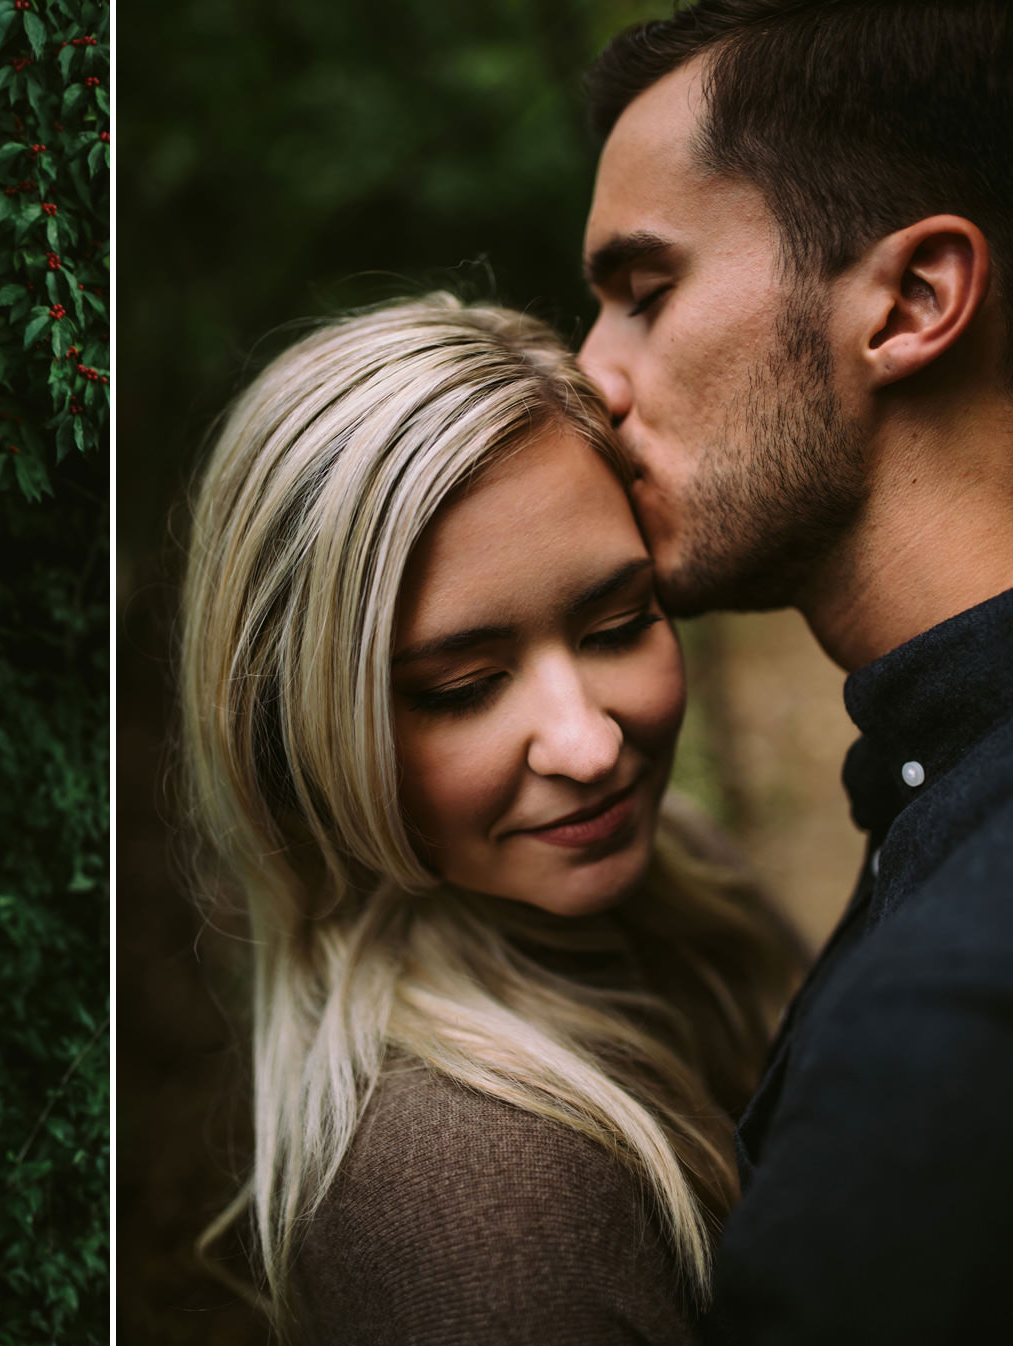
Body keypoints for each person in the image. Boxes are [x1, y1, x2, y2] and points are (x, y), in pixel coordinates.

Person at [178, 296, 803, 1343]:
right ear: (294, 734)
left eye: (619, 622)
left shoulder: (688, 870)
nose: (590, 745)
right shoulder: (475, 1193)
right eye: (462, 686)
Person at [579, 2, 1013, 1338]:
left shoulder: (944, 1023)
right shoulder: (938, 815)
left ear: (913, 300)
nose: (588, 373)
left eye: (643, 293)